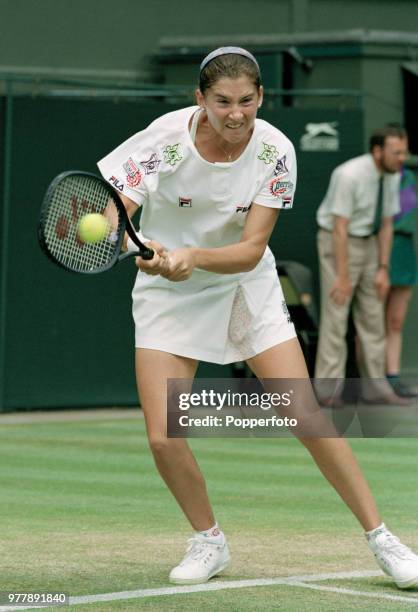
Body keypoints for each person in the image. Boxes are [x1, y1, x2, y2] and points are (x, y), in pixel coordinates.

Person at [97, 48, 418, 589]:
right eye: (223, 101)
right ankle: (209, 540)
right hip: (168, 295)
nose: (236, 113)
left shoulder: (275, 150)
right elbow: (114, 211)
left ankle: (383, 537)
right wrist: (118, 233)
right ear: (200, 99)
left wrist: (192, 256)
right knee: (162, 435)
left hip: (245, 286)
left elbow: (249, 250)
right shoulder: (165, 139)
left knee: (308, 418)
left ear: (261, 98)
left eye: (247, 100)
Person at [315, 126, 410, 406]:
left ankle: (376, 389)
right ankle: (327, 391)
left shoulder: (392, 176)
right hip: (338, 242)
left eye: (404, 152)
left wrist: (383, 268)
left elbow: (387, 223)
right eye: (396, 152)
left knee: (372, 316)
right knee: (336, 315)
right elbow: (339, 228)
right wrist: (342, 276)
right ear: (377, 151)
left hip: (370, 244)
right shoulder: (349, 175)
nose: (402, 158)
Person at [386, 165, 418, 397]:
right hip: (379, 248)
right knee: (372, 321)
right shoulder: (375, 178)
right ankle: (372, 380)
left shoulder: (409, 176)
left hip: (404, 249)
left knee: (396, 320)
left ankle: (393, 377)